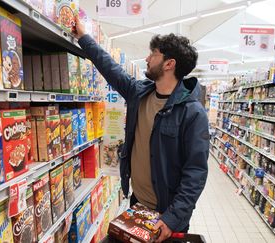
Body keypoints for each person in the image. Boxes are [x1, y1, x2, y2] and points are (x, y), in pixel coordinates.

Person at [74, 17, 209, 242]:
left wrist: (172, 218)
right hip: (138, 204)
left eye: (153, 53)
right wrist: (84, 37)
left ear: (169, 64)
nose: (147, 58)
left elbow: (195, 173)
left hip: (167, 214)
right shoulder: (140, 93)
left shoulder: (192, 113)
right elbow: (111, 69)